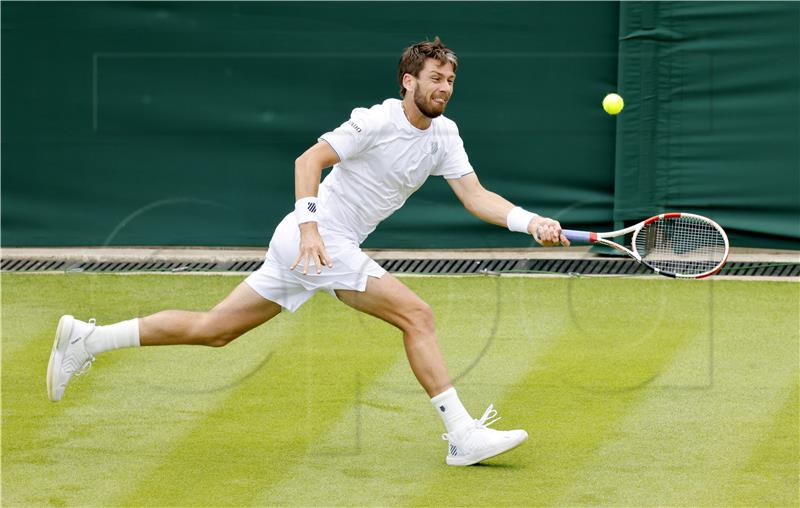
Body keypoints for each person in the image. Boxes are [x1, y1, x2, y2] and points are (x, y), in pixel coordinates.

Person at [46, 37, 569, 466]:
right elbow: (307, 161)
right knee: (418, 315)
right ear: (408, 81)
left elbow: (475, 195)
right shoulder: (375, 121)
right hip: (315, 238)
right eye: (435, 78)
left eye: (450, 80)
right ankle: (460, 435)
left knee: (215, 330)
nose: (444, 88)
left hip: (314, 244)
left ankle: (89, 340)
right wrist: (312, 231)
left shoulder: (444, 135)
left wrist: (531, 222)